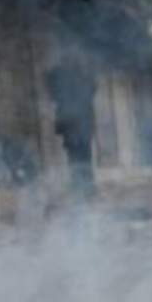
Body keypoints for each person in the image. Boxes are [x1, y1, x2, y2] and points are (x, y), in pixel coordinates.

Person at [47, 56, 98, 200]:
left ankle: (83, 187)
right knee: (81, 156)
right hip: (76, 125)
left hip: (75, 125)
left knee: (78, 157)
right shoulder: (79, 77)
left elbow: (92, 89)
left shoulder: (64, 77)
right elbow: (93, 88)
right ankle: (84, 187)